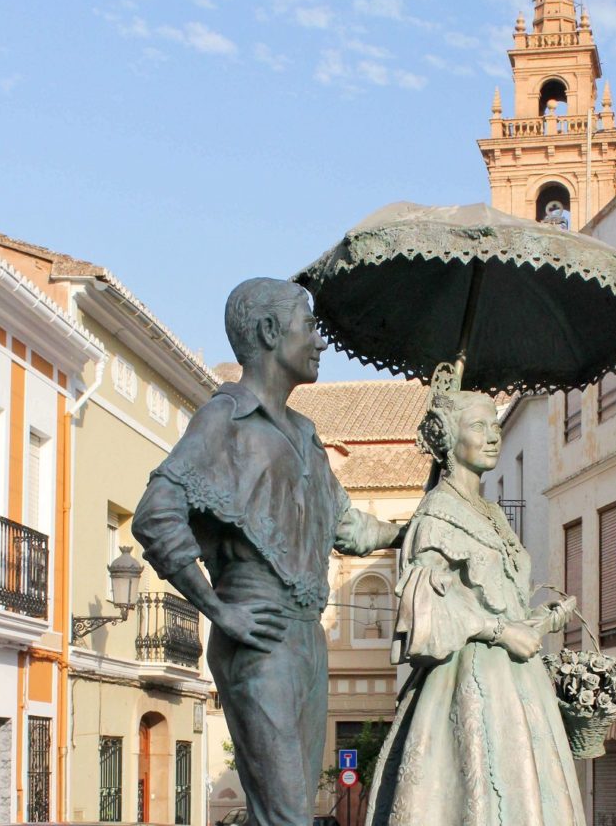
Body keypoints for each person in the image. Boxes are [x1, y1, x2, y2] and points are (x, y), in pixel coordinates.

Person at [132, 278, 399, 826]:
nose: (320, 342)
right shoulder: (225, 418)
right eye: (310, 326)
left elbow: (350, 529)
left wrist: (421, 522)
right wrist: (216, 609)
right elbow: (156, 513)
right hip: (261, 630)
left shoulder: (306, 434)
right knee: (288, 817)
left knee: (282, 812)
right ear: (271, 332)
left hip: (306, 638)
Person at [365, 390, 585, 826]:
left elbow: (500, 599)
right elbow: (423, 602)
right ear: (449, 438)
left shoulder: (492, 513)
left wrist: (540, 621)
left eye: (496, 426)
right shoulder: (437, 512)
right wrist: (502, 632)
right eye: (478, 427)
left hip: (521, 685)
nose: (493, 437)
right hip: (466, 680)